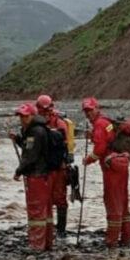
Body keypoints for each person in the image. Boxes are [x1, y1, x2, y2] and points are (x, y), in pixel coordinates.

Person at [81, 97, 130, 248]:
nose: (88, 113)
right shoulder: (106, 122)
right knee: (123, 202)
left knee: (112, 202)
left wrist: (88, 160)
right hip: (121, 165)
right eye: (86, 111)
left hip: (111, 168)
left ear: (97, 108)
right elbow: (108, 138)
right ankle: (125, 240)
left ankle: (112, 241)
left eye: (90, 110)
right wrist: (93, 136)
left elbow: (100, 149)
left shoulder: (99, 124)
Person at [10, 103, 55, 251]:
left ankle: (36, 245)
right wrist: (18, 139)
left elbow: (30, 156)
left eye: (25, 116)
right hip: (45, 175)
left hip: (36, 176)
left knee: (36, 211)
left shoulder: (34, 132)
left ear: (33, 115)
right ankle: (47, 242)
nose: (22, 119)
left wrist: (18, 171)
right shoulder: (40, 129)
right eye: (21, 116)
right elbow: (32, 149)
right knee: (46, 210)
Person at [36, 94, 74, 236]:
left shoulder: (59, 123)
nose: (45, 113)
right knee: (45, 198)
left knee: (59, 198)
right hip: (44, 167)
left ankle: (61, 230)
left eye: (47, 110)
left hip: (58, 167)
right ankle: (48, 228)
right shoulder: (37, 123)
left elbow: (63, 145)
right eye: (42, 110)